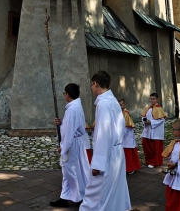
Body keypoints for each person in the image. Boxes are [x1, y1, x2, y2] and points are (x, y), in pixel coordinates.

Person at [80, 70, 131, 211]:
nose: (91, 88)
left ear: (96, 84)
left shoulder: (104, 104)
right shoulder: (113, 101)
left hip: (107, 155)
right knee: (112, 192)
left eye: (92, 85)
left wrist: (97, 164)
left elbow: (103, 133)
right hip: (116, 152)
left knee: (95, 195)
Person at [50, 83, 90, 208]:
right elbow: (70, 127)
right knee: (67, 171)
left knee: (70, 171)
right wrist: (61, 123)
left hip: (71, 143)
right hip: (73, 141)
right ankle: (64, 197)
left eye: (64, 94)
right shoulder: (75, 106)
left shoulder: (73, 109)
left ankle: (79, 197)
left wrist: (63, 148)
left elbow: (70, 132)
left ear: (67, 94)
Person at [141, 93, 166, 168]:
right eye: (151, 98)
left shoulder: (159, 109)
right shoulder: (148, 108)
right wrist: (144, 121)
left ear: (157, 99)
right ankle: (148, 160)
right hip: (147, 130)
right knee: (146, 145)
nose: (152, 100)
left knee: (155, 148)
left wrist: (151, 122)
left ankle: (155, 162)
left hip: (156, 132)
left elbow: (161, 120)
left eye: (153, 98)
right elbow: (143, 116)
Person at [118, 98, 142, 174]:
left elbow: (127, 127)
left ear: (124, 105)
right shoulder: (117, 114)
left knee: (128, 153)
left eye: (121, 105)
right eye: (118, 105)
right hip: (121, 135)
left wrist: (119, 134)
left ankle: (130, 168)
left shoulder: (126, 115)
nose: (119, 106)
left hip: (126, 136)